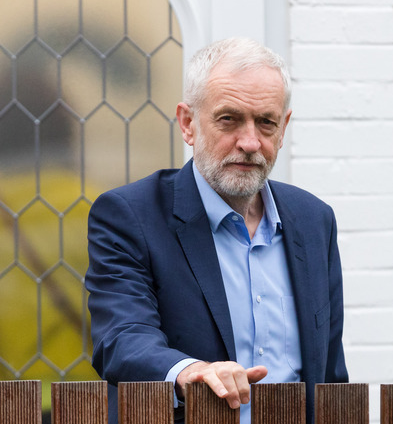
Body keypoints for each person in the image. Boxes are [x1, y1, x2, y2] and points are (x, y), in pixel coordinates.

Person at [85, 37, 348, 424]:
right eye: (229, 119)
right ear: (188, 123)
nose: (249, 142)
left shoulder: (314, 220)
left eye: (266, 122)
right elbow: (122, 339)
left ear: (283, 127)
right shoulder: (130, 216)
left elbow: (329, 376)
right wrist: (190, 371)